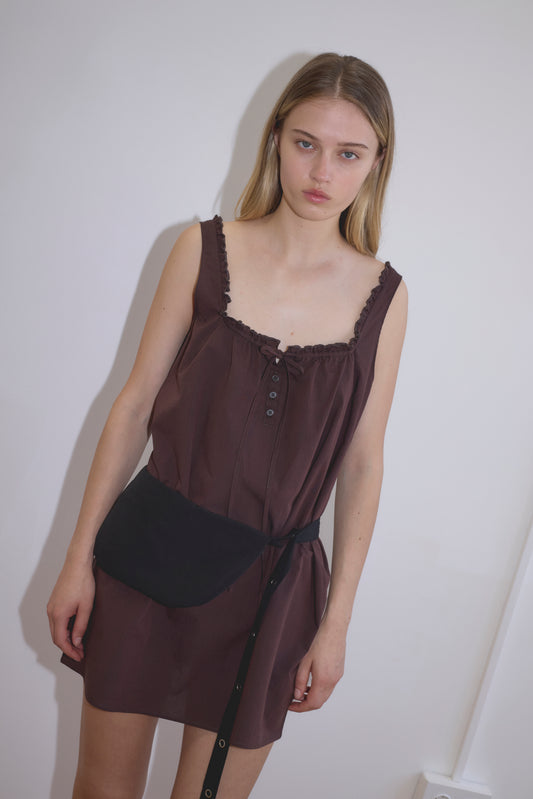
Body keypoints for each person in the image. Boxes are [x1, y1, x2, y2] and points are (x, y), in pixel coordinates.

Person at [47, 52, 408, 799]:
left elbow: (363, 462)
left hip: (272, 592)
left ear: (376, 164)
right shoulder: (202, 249)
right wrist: (77, 558)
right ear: (276, 137)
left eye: (348, 153)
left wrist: (334, 623)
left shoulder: (383, 296)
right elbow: (134, 402)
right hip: (146, 561)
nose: (321, 171)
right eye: (305, 142)